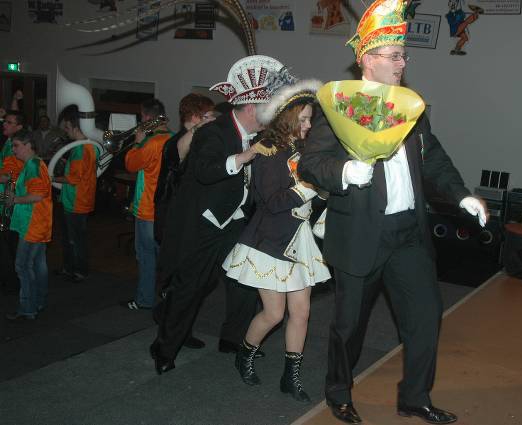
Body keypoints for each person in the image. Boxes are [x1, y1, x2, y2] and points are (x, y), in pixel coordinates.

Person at [298, 1, 488, 424]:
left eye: (404, 56)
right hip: (361, 233)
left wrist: (460, 196)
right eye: (395, 55)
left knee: (425, 317)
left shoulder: (411, 107)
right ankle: (338, 392)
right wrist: (345, 171)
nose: (403, 63)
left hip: (409, 234)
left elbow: (434, 159)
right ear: (368, 59)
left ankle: (415, 397)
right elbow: (311, 163)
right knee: (349, 326)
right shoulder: (340, 105)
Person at [150, 55, 284, 374]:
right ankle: (164, 348)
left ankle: (233, 339)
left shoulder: (256, 135)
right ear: (251, 108)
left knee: (244, 283)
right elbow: (205, 171)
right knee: (191, 287)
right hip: (204, 223)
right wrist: (246, 155)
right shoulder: (214, 131)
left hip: (234, 221)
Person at [222, 69, 328, 402]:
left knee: (302, 313)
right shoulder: (267, 149)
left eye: (310, 119)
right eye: (304, 119)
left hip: (299, 240)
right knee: (273, 314)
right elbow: (271, 201)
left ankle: (290, 377)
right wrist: (308, 187)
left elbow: (314, 190)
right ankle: (245, 354)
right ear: (289, 117)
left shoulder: (305, 148)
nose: (308, 125)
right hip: (268, 241)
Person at [152, 93, 216, 350]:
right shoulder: (176, 142)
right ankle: (170, 329)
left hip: (187, 217)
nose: (213, 120)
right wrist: (204, 126)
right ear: (196, 117)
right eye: (208, 116)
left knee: (192, 280)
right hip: (171, 218)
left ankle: (176, 324)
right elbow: (179, 155)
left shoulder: (200, 141)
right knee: (177, 279)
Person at [124, 99, 172, 310]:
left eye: (141, 116)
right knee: (163, 254)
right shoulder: (173, 138)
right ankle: (166, 291)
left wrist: (137, 142)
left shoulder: (151, 143)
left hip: (147, 208)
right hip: (164, 208)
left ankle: (144, 299)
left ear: (147, 117)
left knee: (145, 256)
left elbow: (130, 164)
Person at [2, 130, 52, 320]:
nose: (13, 150)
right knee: (37, 264)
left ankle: (28, 308)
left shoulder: (32, 166)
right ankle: (38, 302)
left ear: (28, 145)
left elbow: (37, 195)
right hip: (38, 223)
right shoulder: (35, 164)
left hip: (32, 224)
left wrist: (13, 199)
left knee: (22, 266)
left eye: (16, 146)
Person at [51, 105, 98, 283]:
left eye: (67, 127)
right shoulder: (87, 147)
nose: (65, 131)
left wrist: (51, 178)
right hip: (76, 199)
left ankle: (79, 270)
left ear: (74, 126)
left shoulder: (81, 149)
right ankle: (70, 267)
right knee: (72, 237)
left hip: (76, 201)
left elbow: (73, 178)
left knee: (75, 239)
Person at [0, 110, 26, 294]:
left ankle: (14, 281)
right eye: (5, 121)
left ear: (19, 127)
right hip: (6, 199)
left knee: (9, 242)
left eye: (9, 122)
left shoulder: (14, 147)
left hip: (9, 200)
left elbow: (9, 176)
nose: (4, 124)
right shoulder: (8, 143)